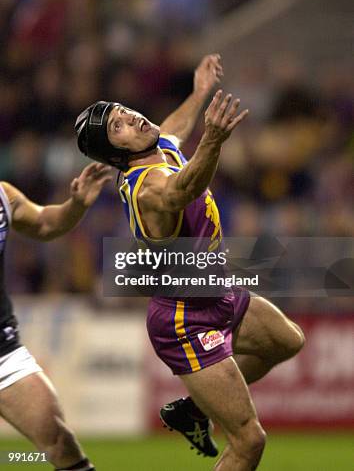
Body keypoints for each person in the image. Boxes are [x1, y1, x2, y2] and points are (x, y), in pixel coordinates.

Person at [75, 54, 305, 470]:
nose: (132, 118)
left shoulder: (156, 145)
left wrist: (199, 92)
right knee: (249, 442)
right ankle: (201, 406)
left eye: (125, 112)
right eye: (118, 126)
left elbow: (174, 129)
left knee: (288, 341)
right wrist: (213, 141)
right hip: (185, 319)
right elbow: (181, 190)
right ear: (116, 154)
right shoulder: (146, 187)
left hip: (213, 287)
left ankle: (194, 410)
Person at [0, 162, 112, 471]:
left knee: (59, 442)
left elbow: (45, 224)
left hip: (3, 353)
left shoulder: (2, 196)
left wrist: (75, 205)